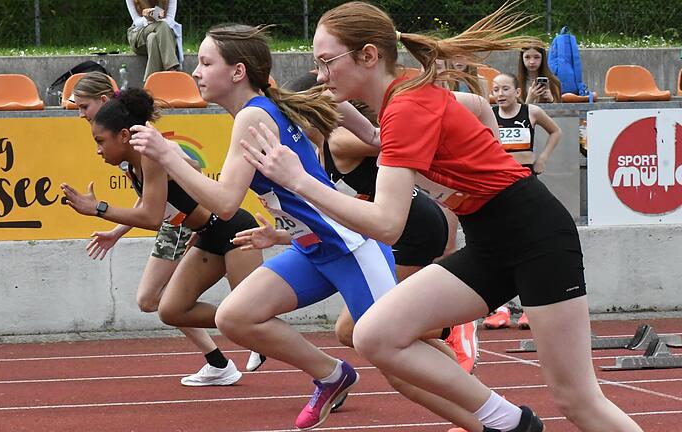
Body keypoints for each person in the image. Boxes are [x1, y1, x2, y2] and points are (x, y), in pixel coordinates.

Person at [236, 2, 643, 432]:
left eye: (326, 62)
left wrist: (299, 180)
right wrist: (343, 112)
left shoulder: (406, 107)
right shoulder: (405, 92)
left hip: (535, 236)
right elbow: (392, 134)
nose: (319, 75)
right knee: (374, 334)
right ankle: (508, 423)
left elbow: (388, 223)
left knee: (577, 401)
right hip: (489, 239)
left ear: (369, 56)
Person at [128, 24, 506, 432]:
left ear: (238, 72)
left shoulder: (254, 115)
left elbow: (224, 202)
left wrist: (168, 155)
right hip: (312, 248)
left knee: (401, 361)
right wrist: (285, 231)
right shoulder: (272, 106)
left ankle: (490, 419)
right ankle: (331, 375)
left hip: (350, 248)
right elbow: (326, 127)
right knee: (236, 316)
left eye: (205, 62)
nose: (196, 72)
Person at [65, 81, 264, 385]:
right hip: (206, 235)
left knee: (252, 314)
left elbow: (153, 216)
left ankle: (320, 366)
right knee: (171, 309)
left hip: (234, 230)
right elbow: (153, 205)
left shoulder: (150, 152)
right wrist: (116, 230)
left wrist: (99, 209)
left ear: (123, 134)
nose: (97, 149)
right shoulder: (132, 161)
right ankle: (242, 327)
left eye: (100, 141)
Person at [284, 72, 479, 380]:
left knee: (358, 328)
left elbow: (396, 139)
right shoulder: (318, 151)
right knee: (361, 329)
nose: (289, 127)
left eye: (293, 116)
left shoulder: (341, 142)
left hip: (413, 228)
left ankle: (451, 329)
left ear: (315, 110)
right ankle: (456, 370)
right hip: (387, 230)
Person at [482, 72, 563, 331]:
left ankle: (530, 309)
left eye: (506, 88)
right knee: (501, 247)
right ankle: (502, 309)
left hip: (526, 182)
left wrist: (543, 159)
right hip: (499, 186)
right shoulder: (488, 115)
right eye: (496, 89)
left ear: (518, 92)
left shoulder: (532, 112)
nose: (501, 93)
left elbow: (556, 132)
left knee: (531, 245)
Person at [126, 0, 184, 83]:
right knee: (161, 26)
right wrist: (148, 18)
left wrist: (156, 16)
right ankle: (172, 70)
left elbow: (170, 21)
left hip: (163, 35)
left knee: (152, 38)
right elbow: (137, 21)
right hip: (139, 34)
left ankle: (150, 84)